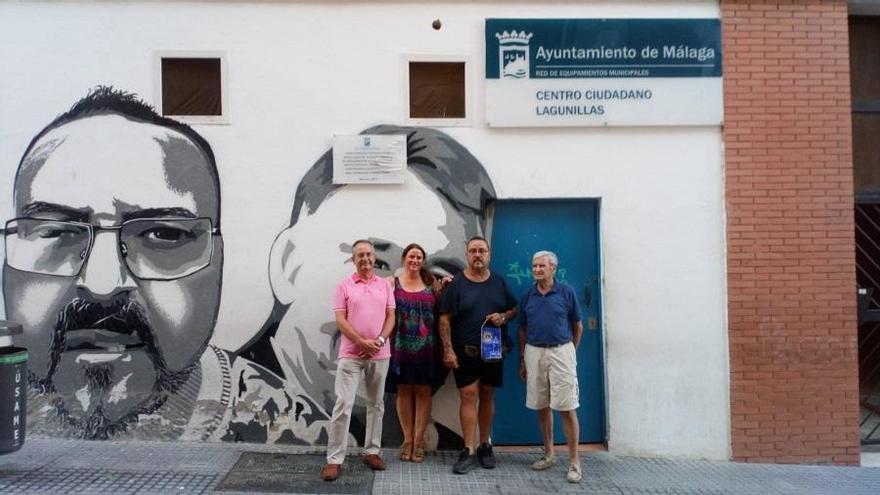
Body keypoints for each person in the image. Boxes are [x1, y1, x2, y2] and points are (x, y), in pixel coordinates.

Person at [2, 87, 327, 443]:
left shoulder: (293, 429)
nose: (103, 283)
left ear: (218, 264)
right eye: (57, 233)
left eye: (163, 234)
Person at [239, 125, 496, 449]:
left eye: (439, 270)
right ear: (287, 263)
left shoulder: (449, 439)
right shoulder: (209, 399)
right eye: (378, 260)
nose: (403, 275)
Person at [439, 236, 517, 474]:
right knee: (468, 395)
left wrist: (503, 317)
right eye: (473, 251)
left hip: (493, 349)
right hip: (466, 351)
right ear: (467, 255)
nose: (477, 255)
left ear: (489, 254)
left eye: (482, 250)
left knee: (487, 395)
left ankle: (485, 446)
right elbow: (444, 318)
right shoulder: (456, 285)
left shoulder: (500, 282)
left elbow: (513, 309)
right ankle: (468, 449)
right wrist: (448, 349)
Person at [321, 240, 396, 482]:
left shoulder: (385, 285)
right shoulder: (343, 286)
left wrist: (379, 341)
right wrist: (361, 342)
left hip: (380, 353)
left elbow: (391, 317)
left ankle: (372, 452)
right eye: (360, 255)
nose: (365, 259)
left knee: (377, 405)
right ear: (353, 260)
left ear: (374, 258)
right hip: (351, 354)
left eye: (368, 255)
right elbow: (341, 320)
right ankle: (334, 459)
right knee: (343, 404)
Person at [518, 250, 584, 483]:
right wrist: (522, 360)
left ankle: (574, 461)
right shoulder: (528, 296)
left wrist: (569, 353)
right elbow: (522, 329)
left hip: (561, 351)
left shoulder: (566, 292)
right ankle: (549, 454)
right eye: (534, 266)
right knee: (542, 406)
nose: (537, 270)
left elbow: (578, 326)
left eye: (542, 266)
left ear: (553, 269)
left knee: (567, 407)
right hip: (534, 352)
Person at [386, 243, 443, 463]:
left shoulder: (431, 284)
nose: (415, 261)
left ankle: (419, 442)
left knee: (423, 392)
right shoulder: (394, 283)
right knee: (403, 391)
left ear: (423, 261)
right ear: (404, 258)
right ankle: (407, 439)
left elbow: (442, 311)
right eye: (411, 256)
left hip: (427, 348)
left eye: (419, 257)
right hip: (400, 346)